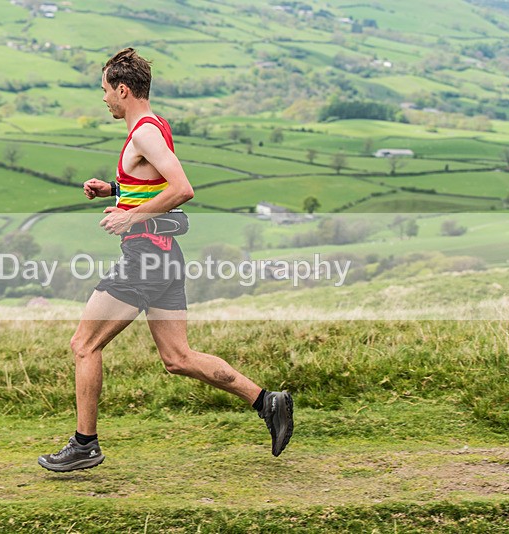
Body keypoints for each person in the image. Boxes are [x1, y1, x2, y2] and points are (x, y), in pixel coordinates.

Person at [38, 48, 293, 472]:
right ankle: (269, 402)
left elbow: (182, 188)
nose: (103, 98)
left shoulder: (143, 134)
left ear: (123, 90)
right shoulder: (152, 127)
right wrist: (114, 192)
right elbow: (151, 183)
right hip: (165, 257)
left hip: (144, 260)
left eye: (105, 90)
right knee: (178, 358)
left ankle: (85, 445)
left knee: (83, 345)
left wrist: (129, 217)